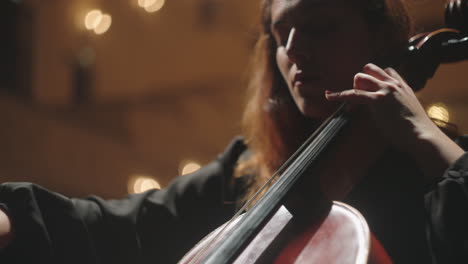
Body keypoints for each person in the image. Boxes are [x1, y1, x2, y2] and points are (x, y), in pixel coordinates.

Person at [1, 0, 468, 263]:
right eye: (279, 35)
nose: (293, 50)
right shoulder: (249, 169)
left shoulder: (441, 166)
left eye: (320, 28)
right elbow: (121, 226)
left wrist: (424, 137)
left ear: (380, 38)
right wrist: (12, 218)